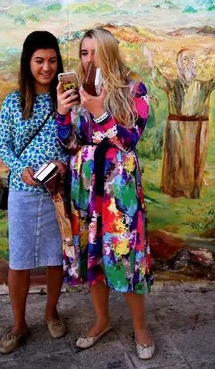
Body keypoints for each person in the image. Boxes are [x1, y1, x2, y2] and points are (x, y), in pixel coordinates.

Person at [55, 28, 155, 360]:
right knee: (91, 253)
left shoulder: (134, 89)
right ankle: (102, 320)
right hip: (84, 185)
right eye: (84, 53)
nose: (89, 59)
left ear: (110, 53)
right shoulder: (79, 90)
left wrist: (100, 111)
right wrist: (63, 113)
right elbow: (69, 143)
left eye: (95, 52)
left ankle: (140, 327)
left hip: (118, 188)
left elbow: (130, 139)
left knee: (125, 255)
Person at [0, 31, 69, 354]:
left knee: (56, 259)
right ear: (27, 62)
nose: (46, 68)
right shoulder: (13, 102)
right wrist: (19, 169)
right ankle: (18, 323)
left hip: (56, 193)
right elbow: (4, 146)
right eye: (39, 61)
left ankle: (52, 312)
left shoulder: (66, 100)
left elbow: (75, 141)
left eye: (53, 61)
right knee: (20, 260)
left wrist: (62, 164)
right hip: (22, 193)